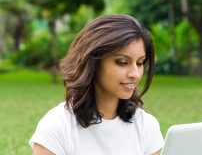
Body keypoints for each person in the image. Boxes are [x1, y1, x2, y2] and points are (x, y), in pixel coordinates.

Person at [29, 14, 164, 155]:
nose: (135, 74)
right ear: (93, 63)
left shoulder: (146, 125)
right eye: (123, 62)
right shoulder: (57, 126)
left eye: (140, 63)